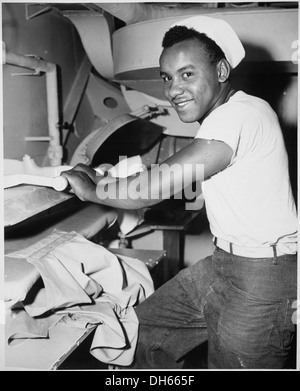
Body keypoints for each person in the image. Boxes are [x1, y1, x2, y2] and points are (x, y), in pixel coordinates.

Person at [61, 16, 298, 369]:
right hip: (223, 264)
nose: (172, 90)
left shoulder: (239, 115)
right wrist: (104, 179)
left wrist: (92, 190)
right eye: (167, 78)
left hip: (261, 276)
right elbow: (169, 174)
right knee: (139, 333)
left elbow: (155, 185)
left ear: (220, 71)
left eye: (187, 74)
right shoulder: (228, 115)